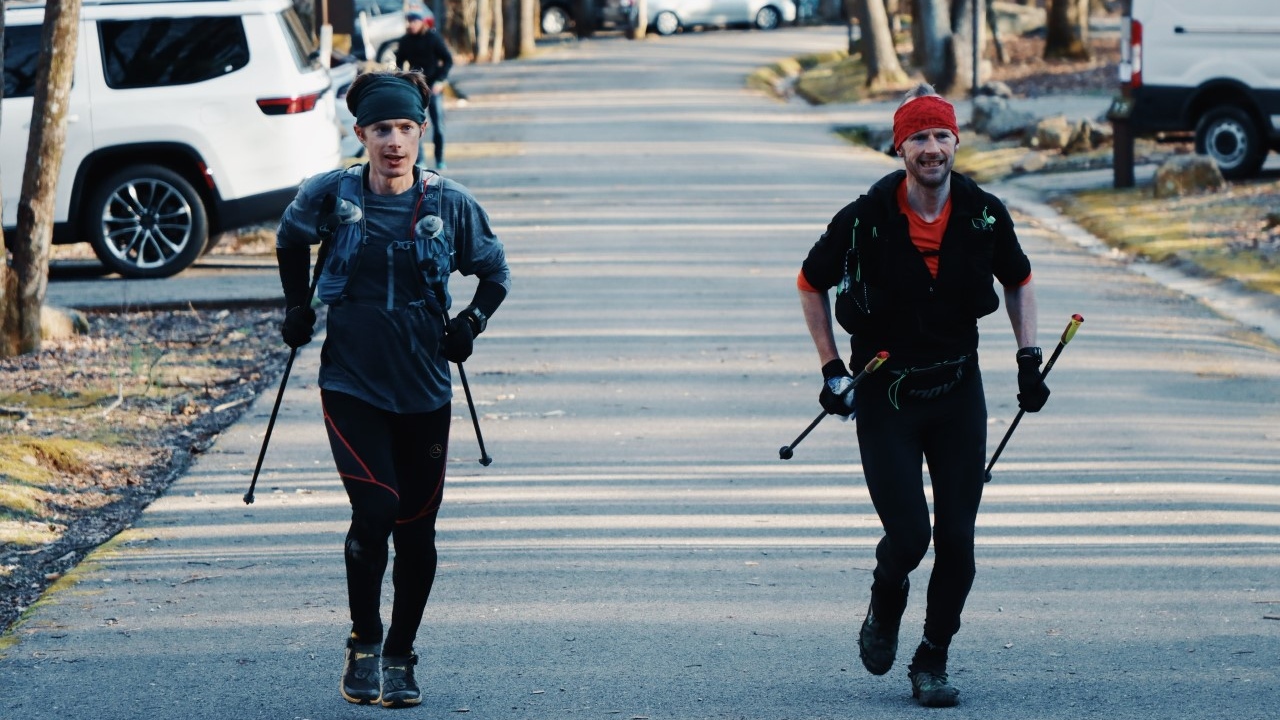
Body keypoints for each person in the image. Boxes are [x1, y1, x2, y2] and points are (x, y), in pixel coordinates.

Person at [795, 83, 1048, 708]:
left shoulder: (985, 213)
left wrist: (1028, 359)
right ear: (898, 146)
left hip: (960, 390)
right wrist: (831, 368)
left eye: (941, 135)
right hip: (887, 397)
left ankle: (931, 658)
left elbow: (1020, 281)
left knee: (958, 542)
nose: (931, 148)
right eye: (919, 137)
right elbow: (809, 283)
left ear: (955, 142)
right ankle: (885, 603)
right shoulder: (863, 218)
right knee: (909, 538)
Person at [274, 69, 510, 708]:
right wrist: (296, 307)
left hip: (426, 387)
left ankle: (402, 654)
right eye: (382, 129)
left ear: (420, 131)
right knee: (375, 510)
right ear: (361, 134)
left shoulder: (451, 203)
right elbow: (290, 241)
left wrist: (470, 324)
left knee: (417, 529)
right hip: (351, 382)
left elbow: (495, 275)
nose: (395, 142)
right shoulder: (329, 194)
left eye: (406, 128)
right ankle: (364, 640)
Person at [395, 9, 452, 171]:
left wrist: (441, 80)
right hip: (416, 88)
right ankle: (420, 160)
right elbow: (399, 64)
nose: (411, 25)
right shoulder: (405, 41)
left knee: (438, 125)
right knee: (416, 125)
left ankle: (440, 158)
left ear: (422, 22)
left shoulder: (433, 38)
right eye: (409, 22)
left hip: (434, 86)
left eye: (414, 22)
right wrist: (403, 81)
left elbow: (448, 60)